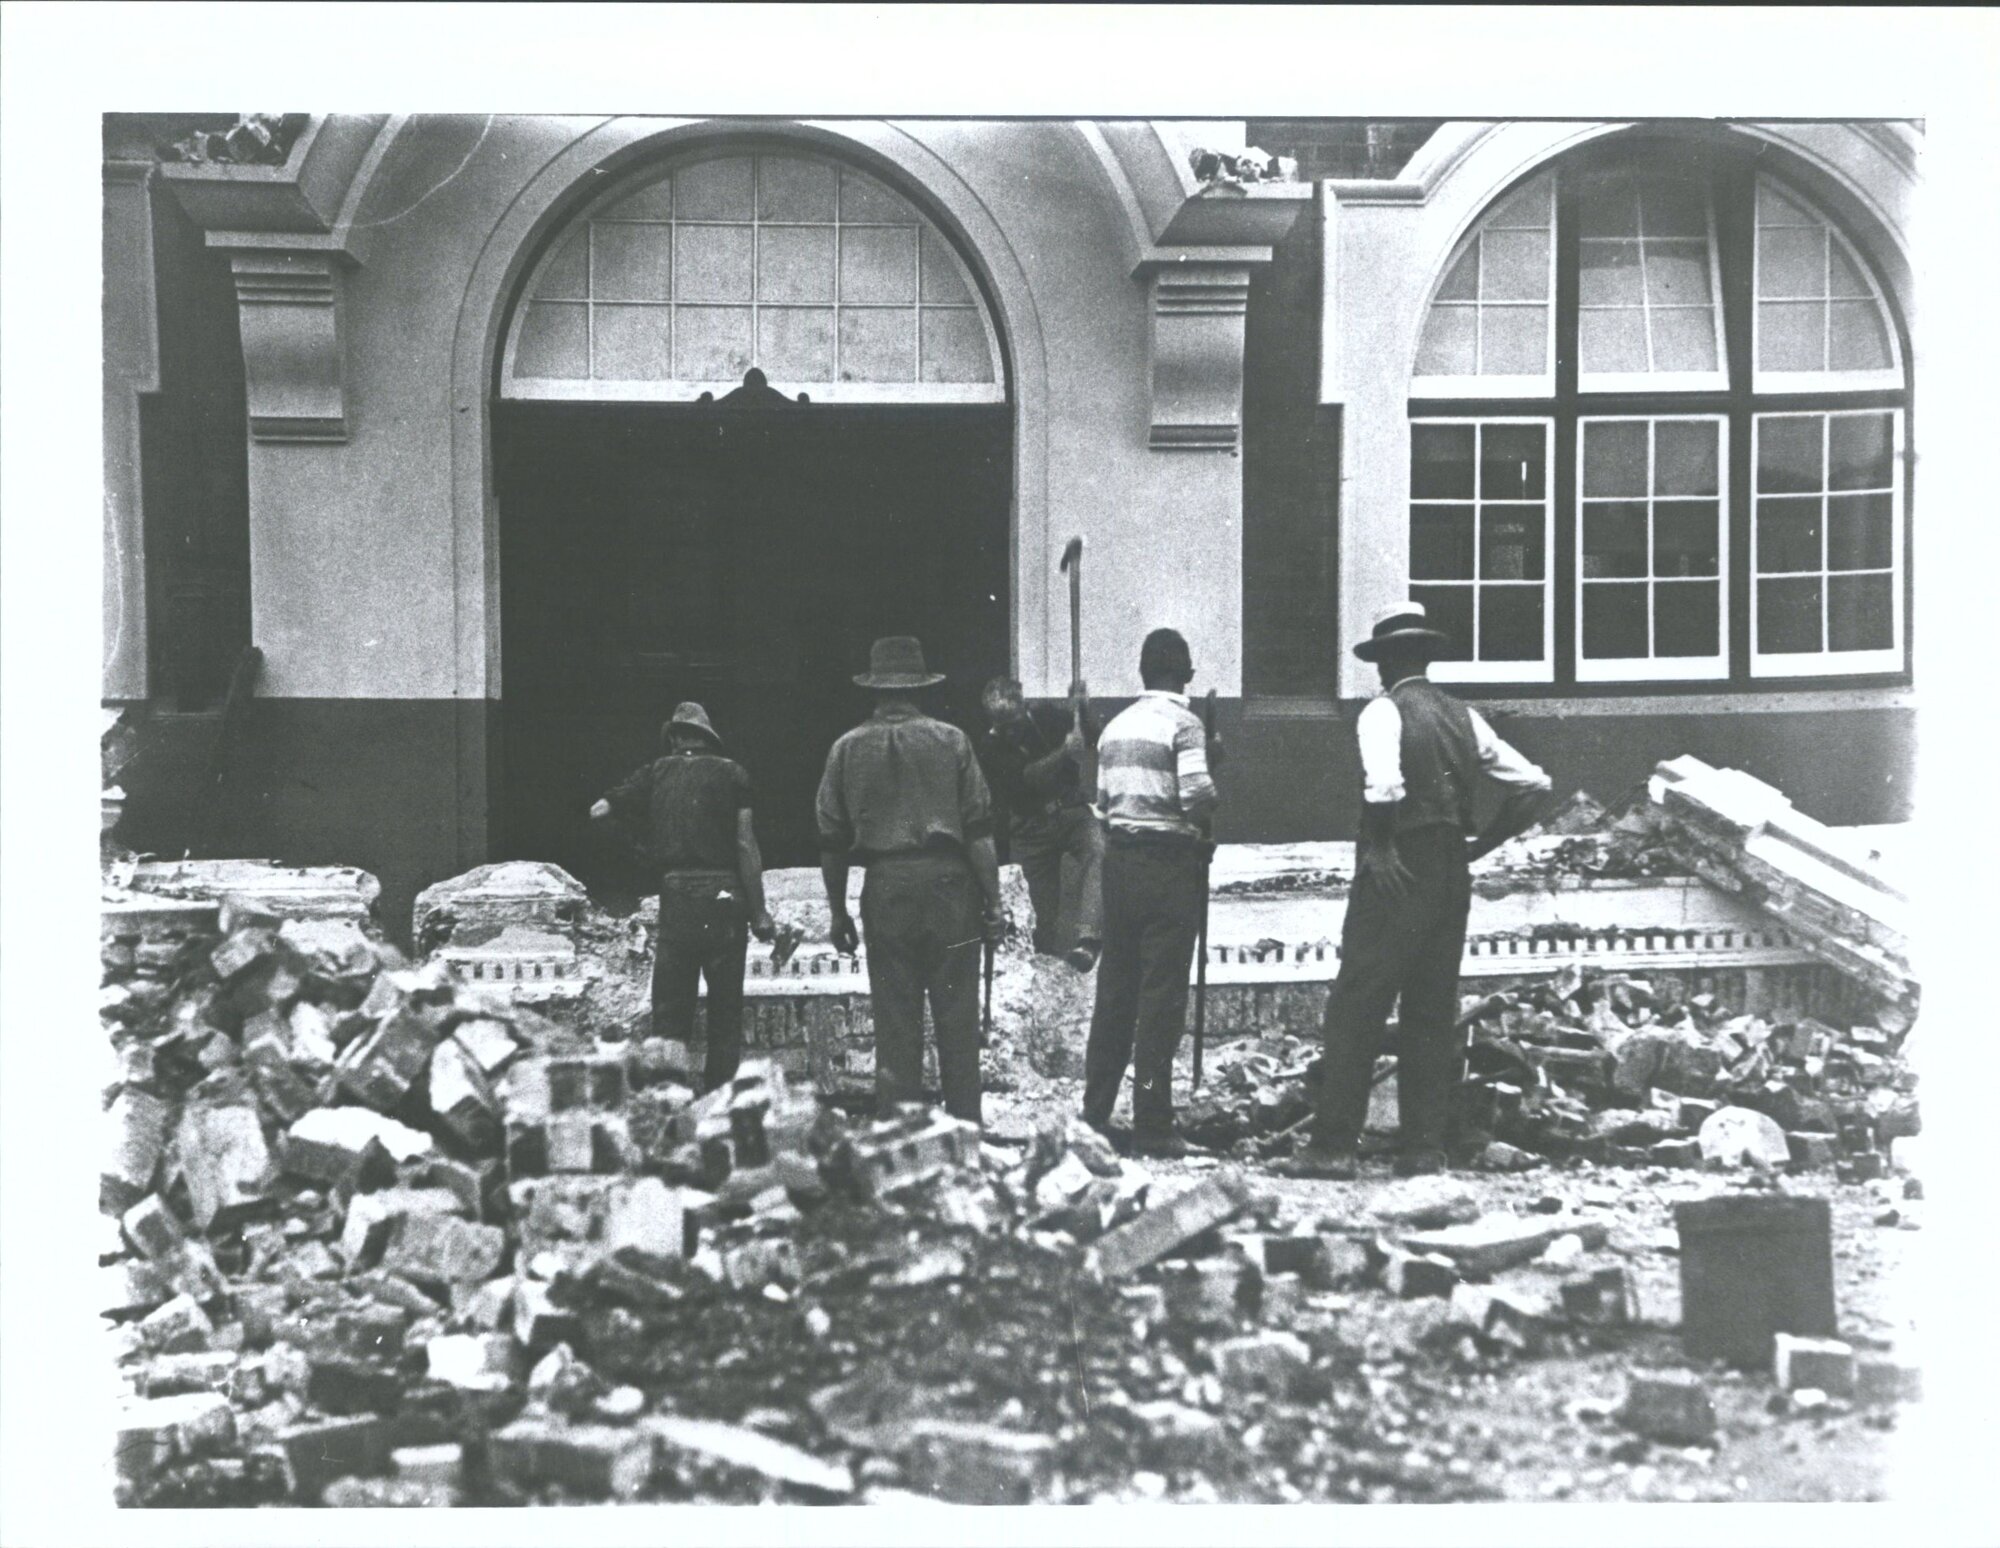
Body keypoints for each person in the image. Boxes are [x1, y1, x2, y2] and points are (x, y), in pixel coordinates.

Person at [1278, 602, 1551, 1180]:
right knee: (1432, 1006)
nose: (1379, 671)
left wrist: (1380, 848)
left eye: (1381, 659)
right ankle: (1423, 1148)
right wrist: (1478, 847)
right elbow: (1532, 786)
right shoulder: (1463, 716)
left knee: (1357, 1004)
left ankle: (1332, 1146)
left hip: (1398, 864)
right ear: (1425, 656)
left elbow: (1383, 787)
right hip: (1451, 868)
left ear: (1389, 660)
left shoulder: (1383, 712)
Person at [816, 636, 1005, 1125]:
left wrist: (837, 911)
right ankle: (965, 1129)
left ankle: (899, 1134)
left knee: (895, 1021)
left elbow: (831, 842)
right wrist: (994, 902)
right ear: (921, 688)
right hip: (950, 885)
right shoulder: (952, 740)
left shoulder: (845, 748)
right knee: (957, 1017)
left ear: (874, 690)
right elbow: (979, 833)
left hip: (886, 886)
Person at [1080, 628, 1224, 1158]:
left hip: (1120, 865)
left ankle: (1094, 1117)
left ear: (1143, 674)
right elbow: (1197, 798)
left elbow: (1101, 802)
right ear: (1183, 675)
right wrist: (1215, 766)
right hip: (1168, 868)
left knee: (1115, 995)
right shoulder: (1185, 726)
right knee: (1160, 1000)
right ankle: (1152, 1123)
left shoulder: (1114, 728)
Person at [591, 702, 776, 1092]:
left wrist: (641, 850)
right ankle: (721, 1106)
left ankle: (670, 1103)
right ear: (708, 739)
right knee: (725, 1020)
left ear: (674, 738)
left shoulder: (655, 773)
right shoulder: (733, 773)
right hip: (726, 900)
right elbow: (745, 845)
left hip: (676, 898)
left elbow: (598, 811)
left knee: (670, 1018)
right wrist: (759, 914)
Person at [979, 676, 1103, 971]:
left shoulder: (1045, 715)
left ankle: (1088, 940)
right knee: (1039, 917)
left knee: (1097, 848)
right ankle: (1045, 965)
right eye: (1002, 724)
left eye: (1014, 720)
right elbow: (1027, 778)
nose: (1009, 731)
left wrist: (1082, 708)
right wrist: (1065, 752)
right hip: (1029, 828)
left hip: (1072, 813)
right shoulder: (990, 746)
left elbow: (1091, 736)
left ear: (1024, 706)